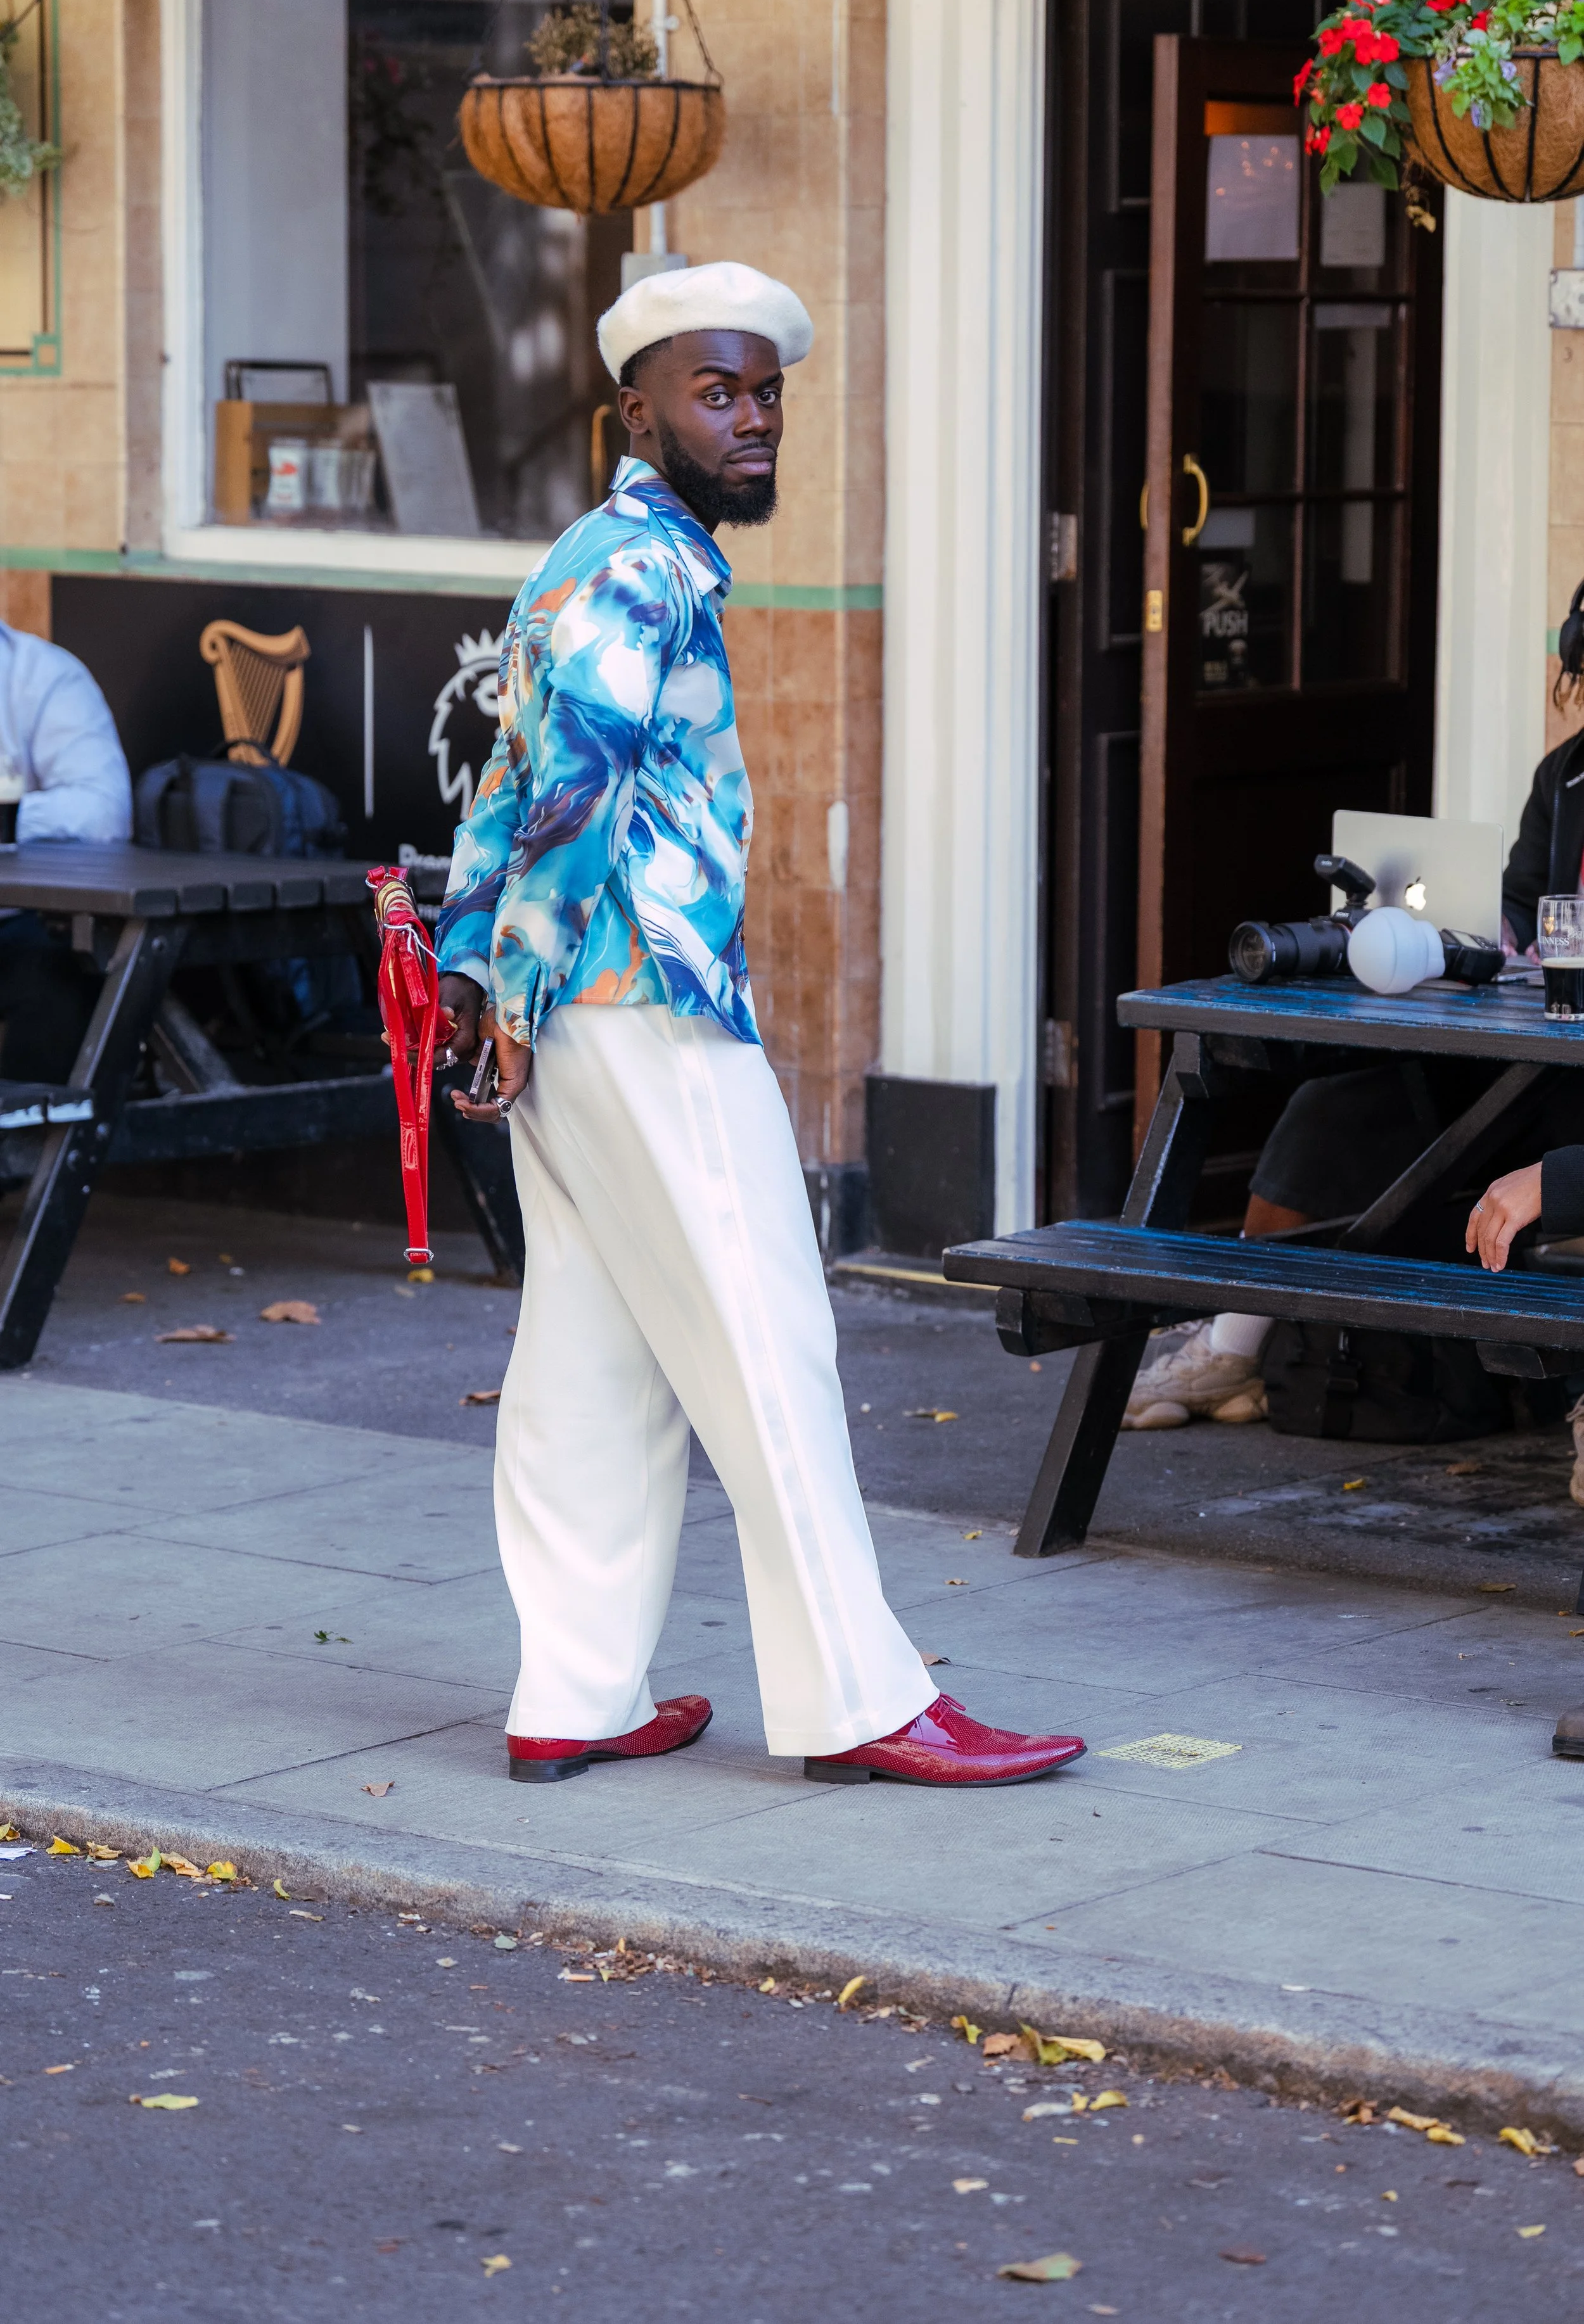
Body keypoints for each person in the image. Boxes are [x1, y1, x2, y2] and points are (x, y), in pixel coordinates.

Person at [433, 261, 1085, 1791]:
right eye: (715, 394)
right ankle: (864, 1696)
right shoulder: (643, 571)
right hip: (641, 1004)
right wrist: (511, 992)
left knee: (595, 1356)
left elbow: (496, 790)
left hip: (575, 1013)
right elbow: (567, 799)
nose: (751, 420)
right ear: (633, 412)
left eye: (766, 392)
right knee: (769, 1341)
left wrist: (488, 981)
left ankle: (575, 1692)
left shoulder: (593, 558)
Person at [1125, 731, 1584, 1440]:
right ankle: (1233, 1349)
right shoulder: (1567, 772)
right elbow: (1523, 905)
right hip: (1540, 1042)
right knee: (1335, 1107)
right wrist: (1446, 933)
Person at [0, 621, 131, 1085]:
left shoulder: (43, 675)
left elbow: (104, 811)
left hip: (16, 921)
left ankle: (27, 1153)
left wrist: (12, 818)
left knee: (63, 977)